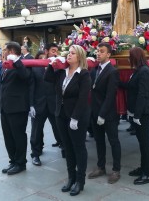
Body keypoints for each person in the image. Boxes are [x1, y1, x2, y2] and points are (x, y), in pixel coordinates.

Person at [44, 45, 91, 197]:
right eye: (68, 53)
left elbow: (83, 99)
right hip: (61, 115)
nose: (69, 55)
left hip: (76, 117)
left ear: (79, 57)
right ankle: (71, 178)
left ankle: (80, 181)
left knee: (78, 148)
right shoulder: (61, 72)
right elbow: (47, 79)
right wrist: (51, 65)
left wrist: (75, 118)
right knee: (67, 148)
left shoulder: (83, 74)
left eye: (72, 53)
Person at [0, 42, 32, 175]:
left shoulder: (23, 63)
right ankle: (13, 161)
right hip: (5, 107)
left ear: (11, 51)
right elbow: (1, 85)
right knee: (8, 136)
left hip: (18, 108)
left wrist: (17, 62)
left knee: (18, 136)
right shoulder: (6, 65)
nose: (2, 52)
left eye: (4, 49)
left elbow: (26, 77)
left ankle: (21, 163)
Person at [88, 43, 121, 184]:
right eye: (97, 51)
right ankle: (101, 167)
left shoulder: (112, 71)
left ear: (108, 55)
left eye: (101, 51)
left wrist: (102, 114)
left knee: (113, 141)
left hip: (108, 113)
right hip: (95, 112)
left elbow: (110, 95)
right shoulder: (94, 70)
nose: (98, 53)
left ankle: (116, 170)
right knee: (99, 141)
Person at [122, 47, 149, 185]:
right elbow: (130, 86)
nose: (129, 59)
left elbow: (143, 94)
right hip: (138, 111)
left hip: (142, 113)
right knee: (142, 142)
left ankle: (148, 174)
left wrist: (137, 115)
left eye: (130, 56)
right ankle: (143, 168)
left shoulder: (144, 72)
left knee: (145, 143)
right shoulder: (138, 71)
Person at [29, 49, 62, 166]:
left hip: (53, 103)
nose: (43, 59)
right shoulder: (34, 69)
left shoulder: (56, 68)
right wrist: (31, 105)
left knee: (59, 127)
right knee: (36, 131)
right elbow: (31, 87)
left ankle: (64, 147)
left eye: (45, 57)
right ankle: (36, 154)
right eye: (41, 57)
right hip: (39, 104)